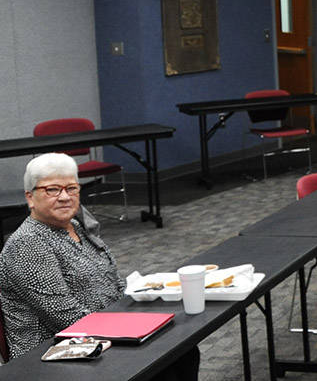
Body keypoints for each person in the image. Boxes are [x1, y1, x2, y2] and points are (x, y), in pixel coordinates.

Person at [0, 153, 199, 378]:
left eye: (72, 188)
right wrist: (129, 329)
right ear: (30, 198)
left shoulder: (75, 225)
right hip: (55, 351)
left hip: (103, 331)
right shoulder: (28, 244)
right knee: (164, 366)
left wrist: (141, 315)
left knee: (183, 348)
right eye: (52, 189)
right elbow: (65, 317)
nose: (64, 197)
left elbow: (112, 283)